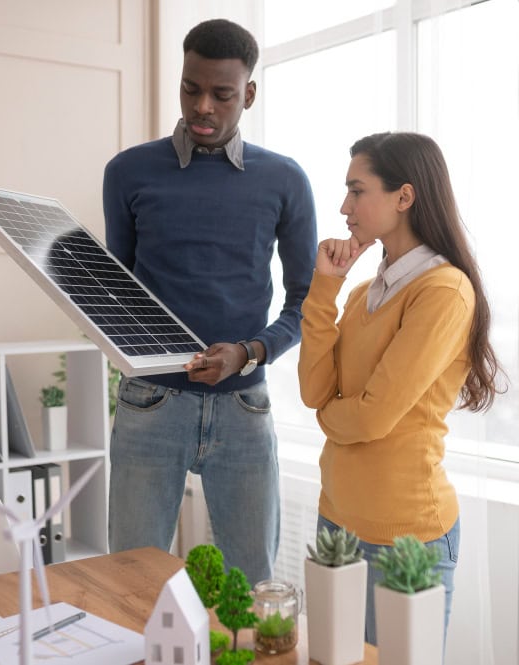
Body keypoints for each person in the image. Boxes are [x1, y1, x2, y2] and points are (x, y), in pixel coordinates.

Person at [102, 18, 317, 586]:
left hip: (244, 406)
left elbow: (306, 304)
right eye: (189, 88)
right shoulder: (127, 173)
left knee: (253, 584)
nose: (202, 106)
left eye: (221, 94)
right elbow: (116, 290)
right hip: (150, 402)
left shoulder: (285, 180)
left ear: (247, 93)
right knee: (131, 581)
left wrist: (248, 352)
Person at [297, 132, 502, 645]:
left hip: (405, 536)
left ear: (404, 197)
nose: (344, 207)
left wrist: (329, 418)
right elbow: (313, 388)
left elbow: (370, 417)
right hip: (336, 520)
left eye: (357, 190)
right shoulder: (366, 290)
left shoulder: (444, 290)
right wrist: (326, 286)